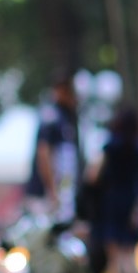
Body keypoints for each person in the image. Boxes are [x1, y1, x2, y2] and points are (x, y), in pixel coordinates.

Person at [89, 105, 138, 273]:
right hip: (131, 203)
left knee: (116, 257)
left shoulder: (111, 147)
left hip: (112, 202)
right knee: (129, 255)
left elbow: (94, 175)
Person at [25, 74, 82, 220]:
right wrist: (52, 190)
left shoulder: (67, 118)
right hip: (46, 194)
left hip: (63, 192)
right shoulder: (52, 117)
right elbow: (44, 154)